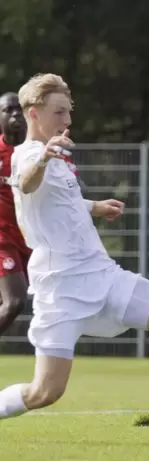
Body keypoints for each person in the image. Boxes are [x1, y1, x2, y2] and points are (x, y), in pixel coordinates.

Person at [0, 73, 149, 446]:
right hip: (61, 288)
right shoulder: (28, 155)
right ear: (34, 114)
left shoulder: (57, 154)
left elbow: (57, 203)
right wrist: (44, 158)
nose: (67, 121)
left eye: (69, 112)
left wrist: (94, 206)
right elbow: (27, 182)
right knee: (45, 392)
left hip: (102, 275)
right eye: (59, 112)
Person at [0, 92, 32, 333]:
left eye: (19, 110)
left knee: (50, 303)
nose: (14, 115)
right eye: (7, 110)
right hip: (3, 238)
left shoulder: (38, 151)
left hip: (35, 238)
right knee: (14, 302)